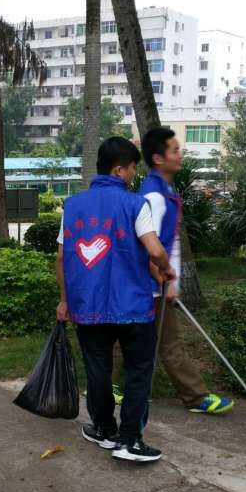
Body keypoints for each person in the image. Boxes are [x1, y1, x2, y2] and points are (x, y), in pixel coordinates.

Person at [56, 136, 175, 463]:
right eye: (133, 168)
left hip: (88, 307)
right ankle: (130, 441)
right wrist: (164, 268)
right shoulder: (137, 204)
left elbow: (62, 259)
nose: (134, 175)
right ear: (120, 169)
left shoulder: (73, 206)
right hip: (133, 308)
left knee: (97, 370)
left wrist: (65, 301)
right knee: (138, 372)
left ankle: (104, 430)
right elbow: (153, 249)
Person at [138, 128, 234, 414]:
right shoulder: (153, 197)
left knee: (143, 340)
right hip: (149, 285)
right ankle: (195, 397)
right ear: (158, 158)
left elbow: (172, 240)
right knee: (168, 343)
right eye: (175, 150)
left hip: (159, 283)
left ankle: (109, 386)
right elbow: (147, 244)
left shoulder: (166, 192)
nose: (180, 154)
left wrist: (173, 278)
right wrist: (163, 279)